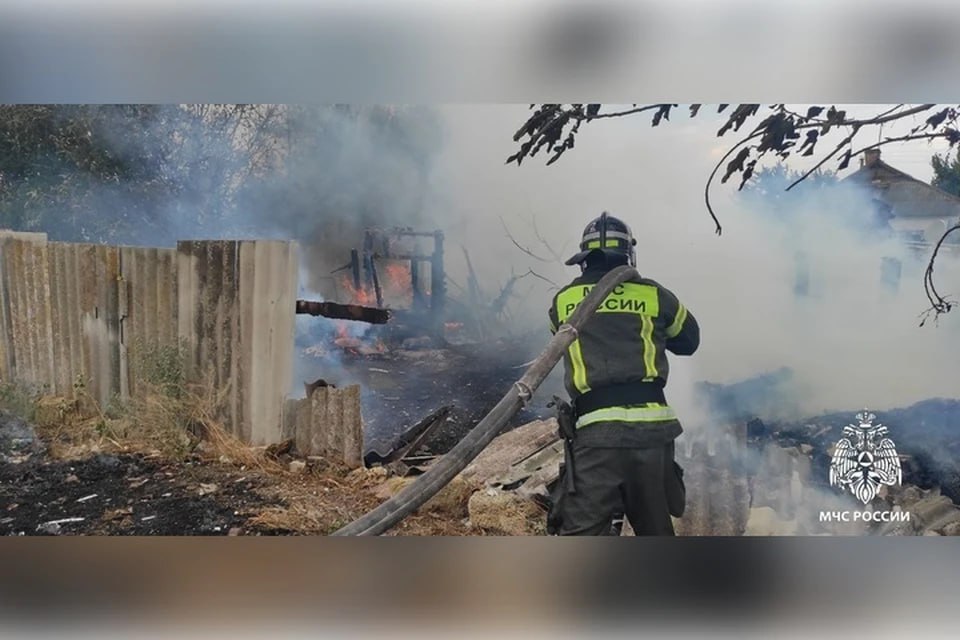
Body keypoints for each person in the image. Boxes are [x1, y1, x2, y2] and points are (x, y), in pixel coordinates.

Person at [546, 212, 700, 536]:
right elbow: (689, 341)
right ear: (628, 254)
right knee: (656, 532)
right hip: (653, 435)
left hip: (597, 436)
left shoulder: (563, 301)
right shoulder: (654, 295)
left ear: (584, 258)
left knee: (582, 534)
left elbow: (559, 342)